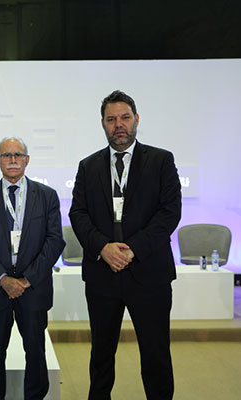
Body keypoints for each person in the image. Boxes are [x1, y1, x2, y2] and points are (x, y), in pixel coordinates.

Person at [69, 90, 182, 399]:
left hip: (149, 274)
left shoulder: (161, 160)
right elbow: (78, 213)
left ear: (136, 119)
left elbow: (169, 212)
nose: (118, 125)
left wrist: (132, 249)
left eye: (124, 118)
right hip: (102, 274)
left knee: (156, 355)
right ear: (103, 124)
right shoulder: (88, 166)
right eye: (111, 119)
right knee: (101, 355)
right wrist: (103, 248)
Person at [0, 137, 65, 400]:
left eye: (18, 155)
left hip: (32, 289)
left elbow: (55, 241)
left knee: (35, 351)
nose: (12, 160)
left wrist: (25, 281)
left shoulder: (47, 196)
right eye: (6, 155)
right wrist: (3, 279)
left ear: (27, 159)